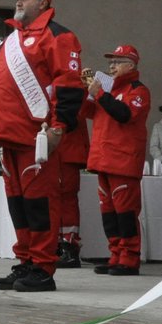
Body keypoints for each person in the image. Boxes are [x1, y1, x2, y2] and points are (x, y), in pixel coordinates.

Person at [0, 0, 84, 294]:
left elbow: (70, 84)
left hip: (36, 136)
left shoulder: (59, 36)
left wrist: (59, 127)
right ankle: (26, 261)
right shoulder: (11, 40)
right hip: (5, 135)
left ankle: (44, 268)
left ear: (43, 3)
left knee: (39, 204)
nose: (18, 1)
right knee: (18, 205)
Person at [80, 44, 150, 275]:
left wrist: (99, 93)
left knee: (125, 213)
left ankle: (130, 258)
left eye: (117, 62)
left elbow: (125, 114)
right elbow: (86, 113)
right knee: (109, 214)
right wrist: (86, 91)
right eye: (110, 62)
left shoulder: (138, 90)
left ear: (131, 65)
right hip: (103, 160)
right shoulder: (107, 90)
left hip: (123, 161)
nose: (111, 66)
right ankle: (116, 255)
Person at [53, 84, 90, 268]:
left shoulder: (71, 84)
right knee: (58, 200)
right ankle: (61, 245)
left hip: (66, 150)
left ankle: (69, 246)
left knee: (66, 200)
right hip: (61, 150)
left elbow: (69, 118)